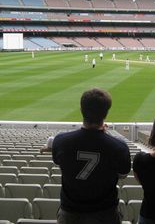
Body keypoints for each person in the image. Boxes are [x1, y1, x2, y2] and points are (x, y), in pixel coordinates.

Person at [52, 88, 131, 224]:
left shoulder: (60, 141)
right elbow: (122, 174)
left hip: (70, 214)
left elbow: (59, 162)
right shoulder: (118, 147)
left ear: (82, 109)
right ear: (106, 113)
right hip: (105, 215)